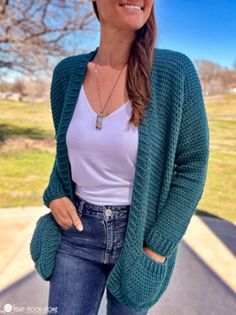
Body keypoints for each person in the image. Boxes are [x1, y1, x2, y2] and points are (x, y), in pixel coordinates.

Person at [43, 1, 209, 314]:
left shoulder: (175, 72)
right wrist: (55, 195)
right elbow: (65, 154)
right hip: (76, 235)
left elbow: (191, 166)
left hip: (138, 240)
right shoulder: (66, 74)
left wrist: (157, 247)